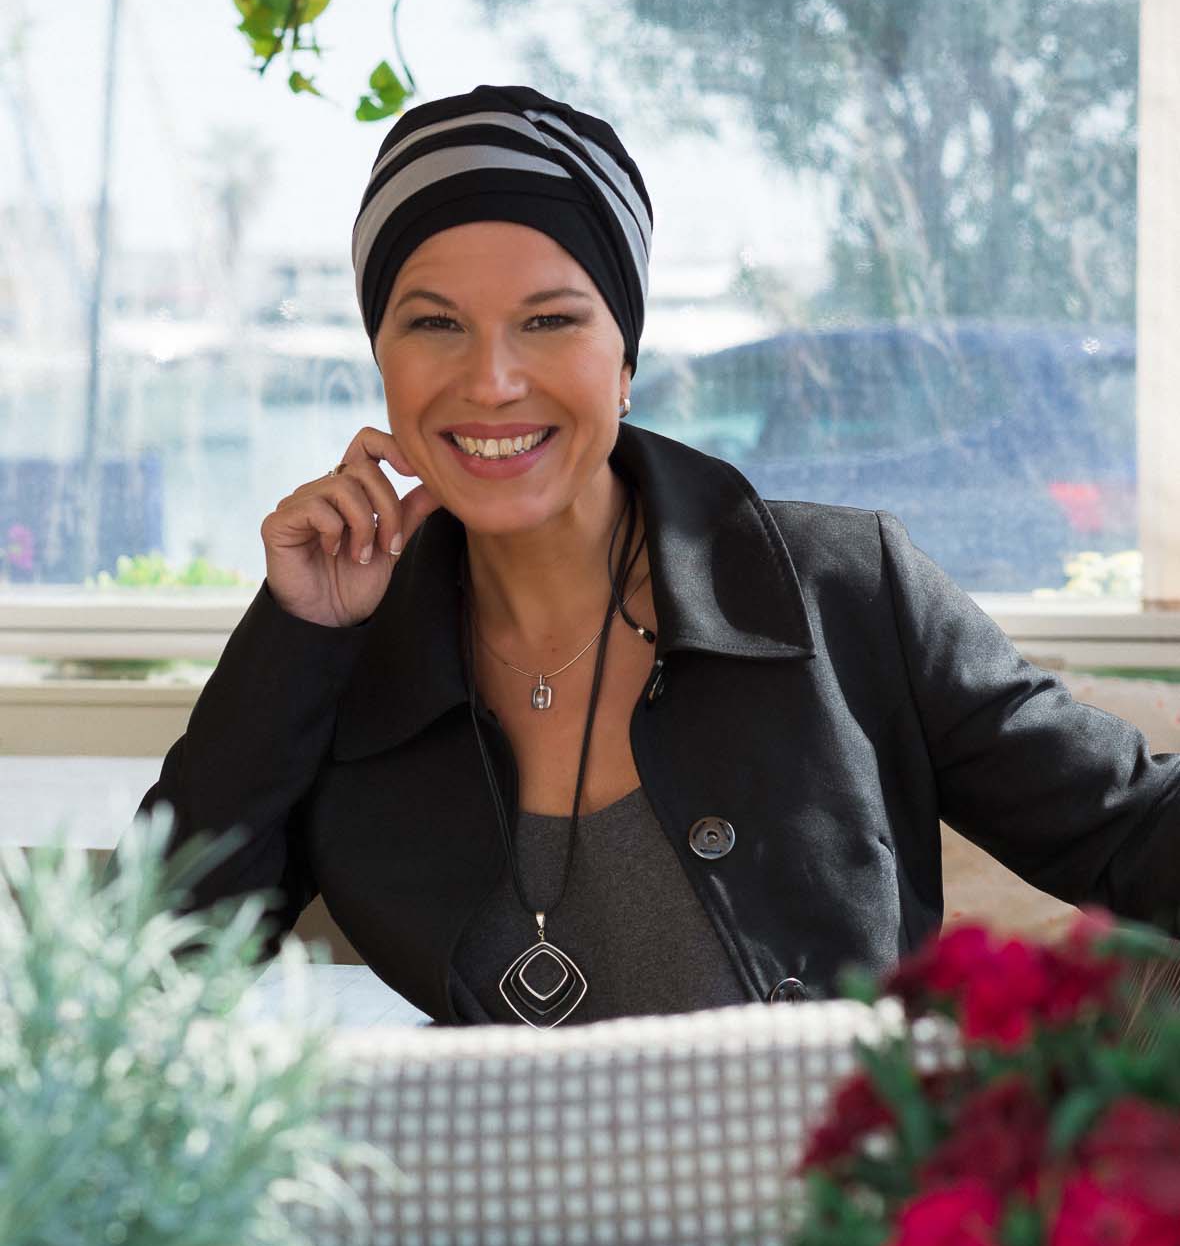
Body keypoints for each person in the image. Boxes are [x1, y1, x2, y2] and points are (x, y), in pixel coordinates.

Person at [123, 83, 1180, 1028]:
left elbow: (1134, 831)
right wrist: (296, 635)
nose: (490, 381)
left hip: (827, 1186)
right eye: (434, 324)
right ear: (381, 359)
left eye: (549, 320)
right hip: (496, 1193)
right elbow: (146, 966)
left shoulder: (841, 587)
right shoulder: (340, 654)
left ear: (623, 358)